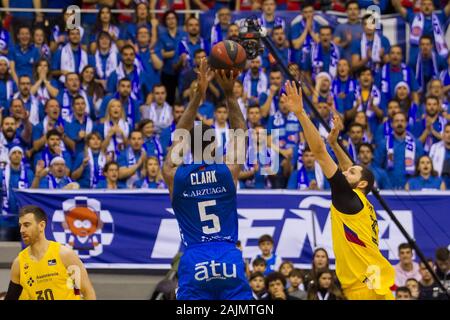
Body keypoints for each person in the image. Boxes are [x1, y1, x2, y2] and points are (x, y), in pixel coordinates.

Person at [282, 80, 395, 299]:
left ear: (361, 184)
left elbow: (319, 152)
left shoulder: (348, 199)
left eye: (351, 173)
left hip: (367, 289)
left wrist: (301, 113)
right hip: (372, 283)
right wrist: (336, 144)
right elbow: (350, 168)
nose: (345, 172)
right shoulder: (360, 201)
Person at [161, 60, 252, 300]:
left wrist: (196, 98)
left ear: (189, 148)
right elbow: (240, 132)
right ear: (216, 147)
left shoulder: (176, 176)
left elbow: (179, 138)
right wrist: (230, 94)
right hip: (227, 254)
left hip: (194, 256)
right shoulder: (227, 171)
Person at [4, 205, 96, 300]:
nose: (22, 230)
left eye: (27, 225)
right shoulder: (19, 263)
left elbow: (87, 292)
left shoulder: (64, 254)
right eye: (20, 226)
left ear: (41, 226)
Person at [374, 112, 424, 190]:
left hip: (411, 188)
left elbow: (422, 165)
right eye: (396, 121)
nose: (399, 123)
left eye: (402, 121)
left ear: (406, 124)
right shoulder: (384, 143)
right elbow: (377, 166)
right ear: (392, 124)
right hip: (388, 188)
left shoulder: (416, 143)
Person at [429, 123, 450, 189]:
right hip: (438, 187)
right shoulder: (435, 148)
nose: (449, 135)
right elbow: (430, 169)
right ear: (443, 134)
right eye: (447, 132)